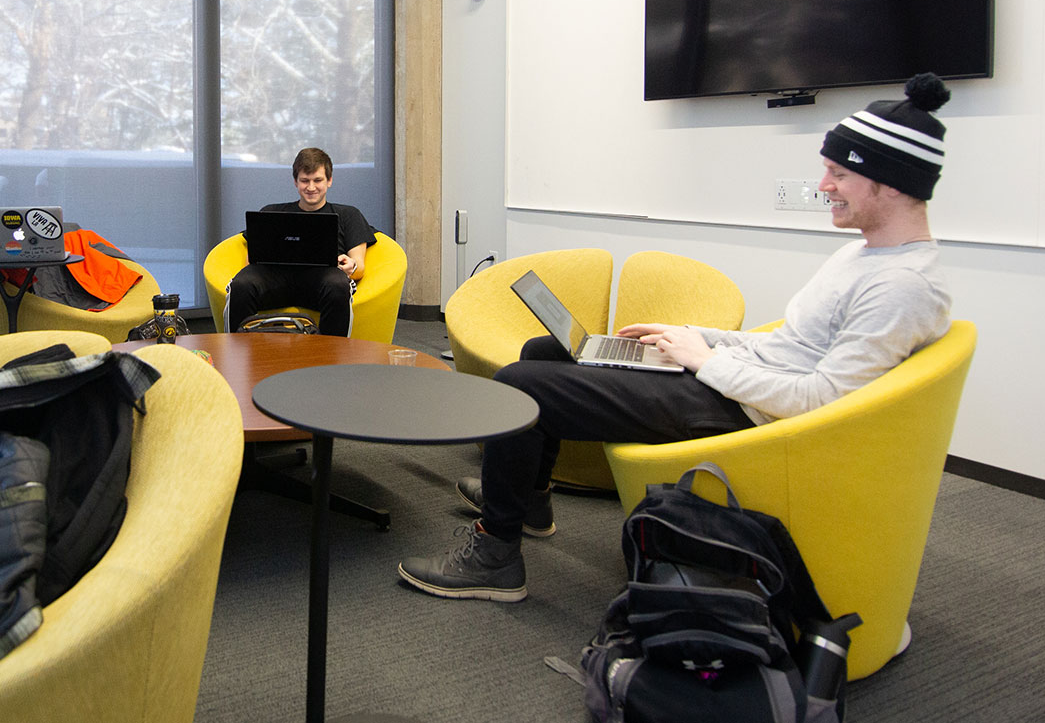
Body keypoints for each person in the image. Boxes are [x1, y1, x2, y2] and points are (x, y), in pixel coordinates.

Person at [398, 73, 957, 602]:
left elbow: (820, 401)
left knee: (524, 382)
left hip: (746, 416)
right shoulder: (866, 255)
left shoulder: (902, 287)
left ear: (888, 182)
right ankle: (530, 503)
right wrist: (688, 337)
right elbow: (785, 345)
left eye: (839, 173)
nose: (823, 186)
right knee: (548, 351)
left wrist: (703, 362)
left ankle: (495, 557)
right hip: (736, 387)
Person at [225, 147, 375, 337]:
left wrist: (350, 267)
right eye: (305, 181)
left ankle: (332, 358)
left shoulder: (348, 214)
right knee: (242, 284)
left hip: (323, 282)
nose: (311, 187)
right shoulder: (271, 213)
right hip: (275, 281)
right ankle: (238, 353)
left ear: (329, 180)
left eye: (317, 180)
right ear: (296, 182)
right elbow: (251, 261)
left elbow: (359, 267)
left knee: (338, 285)